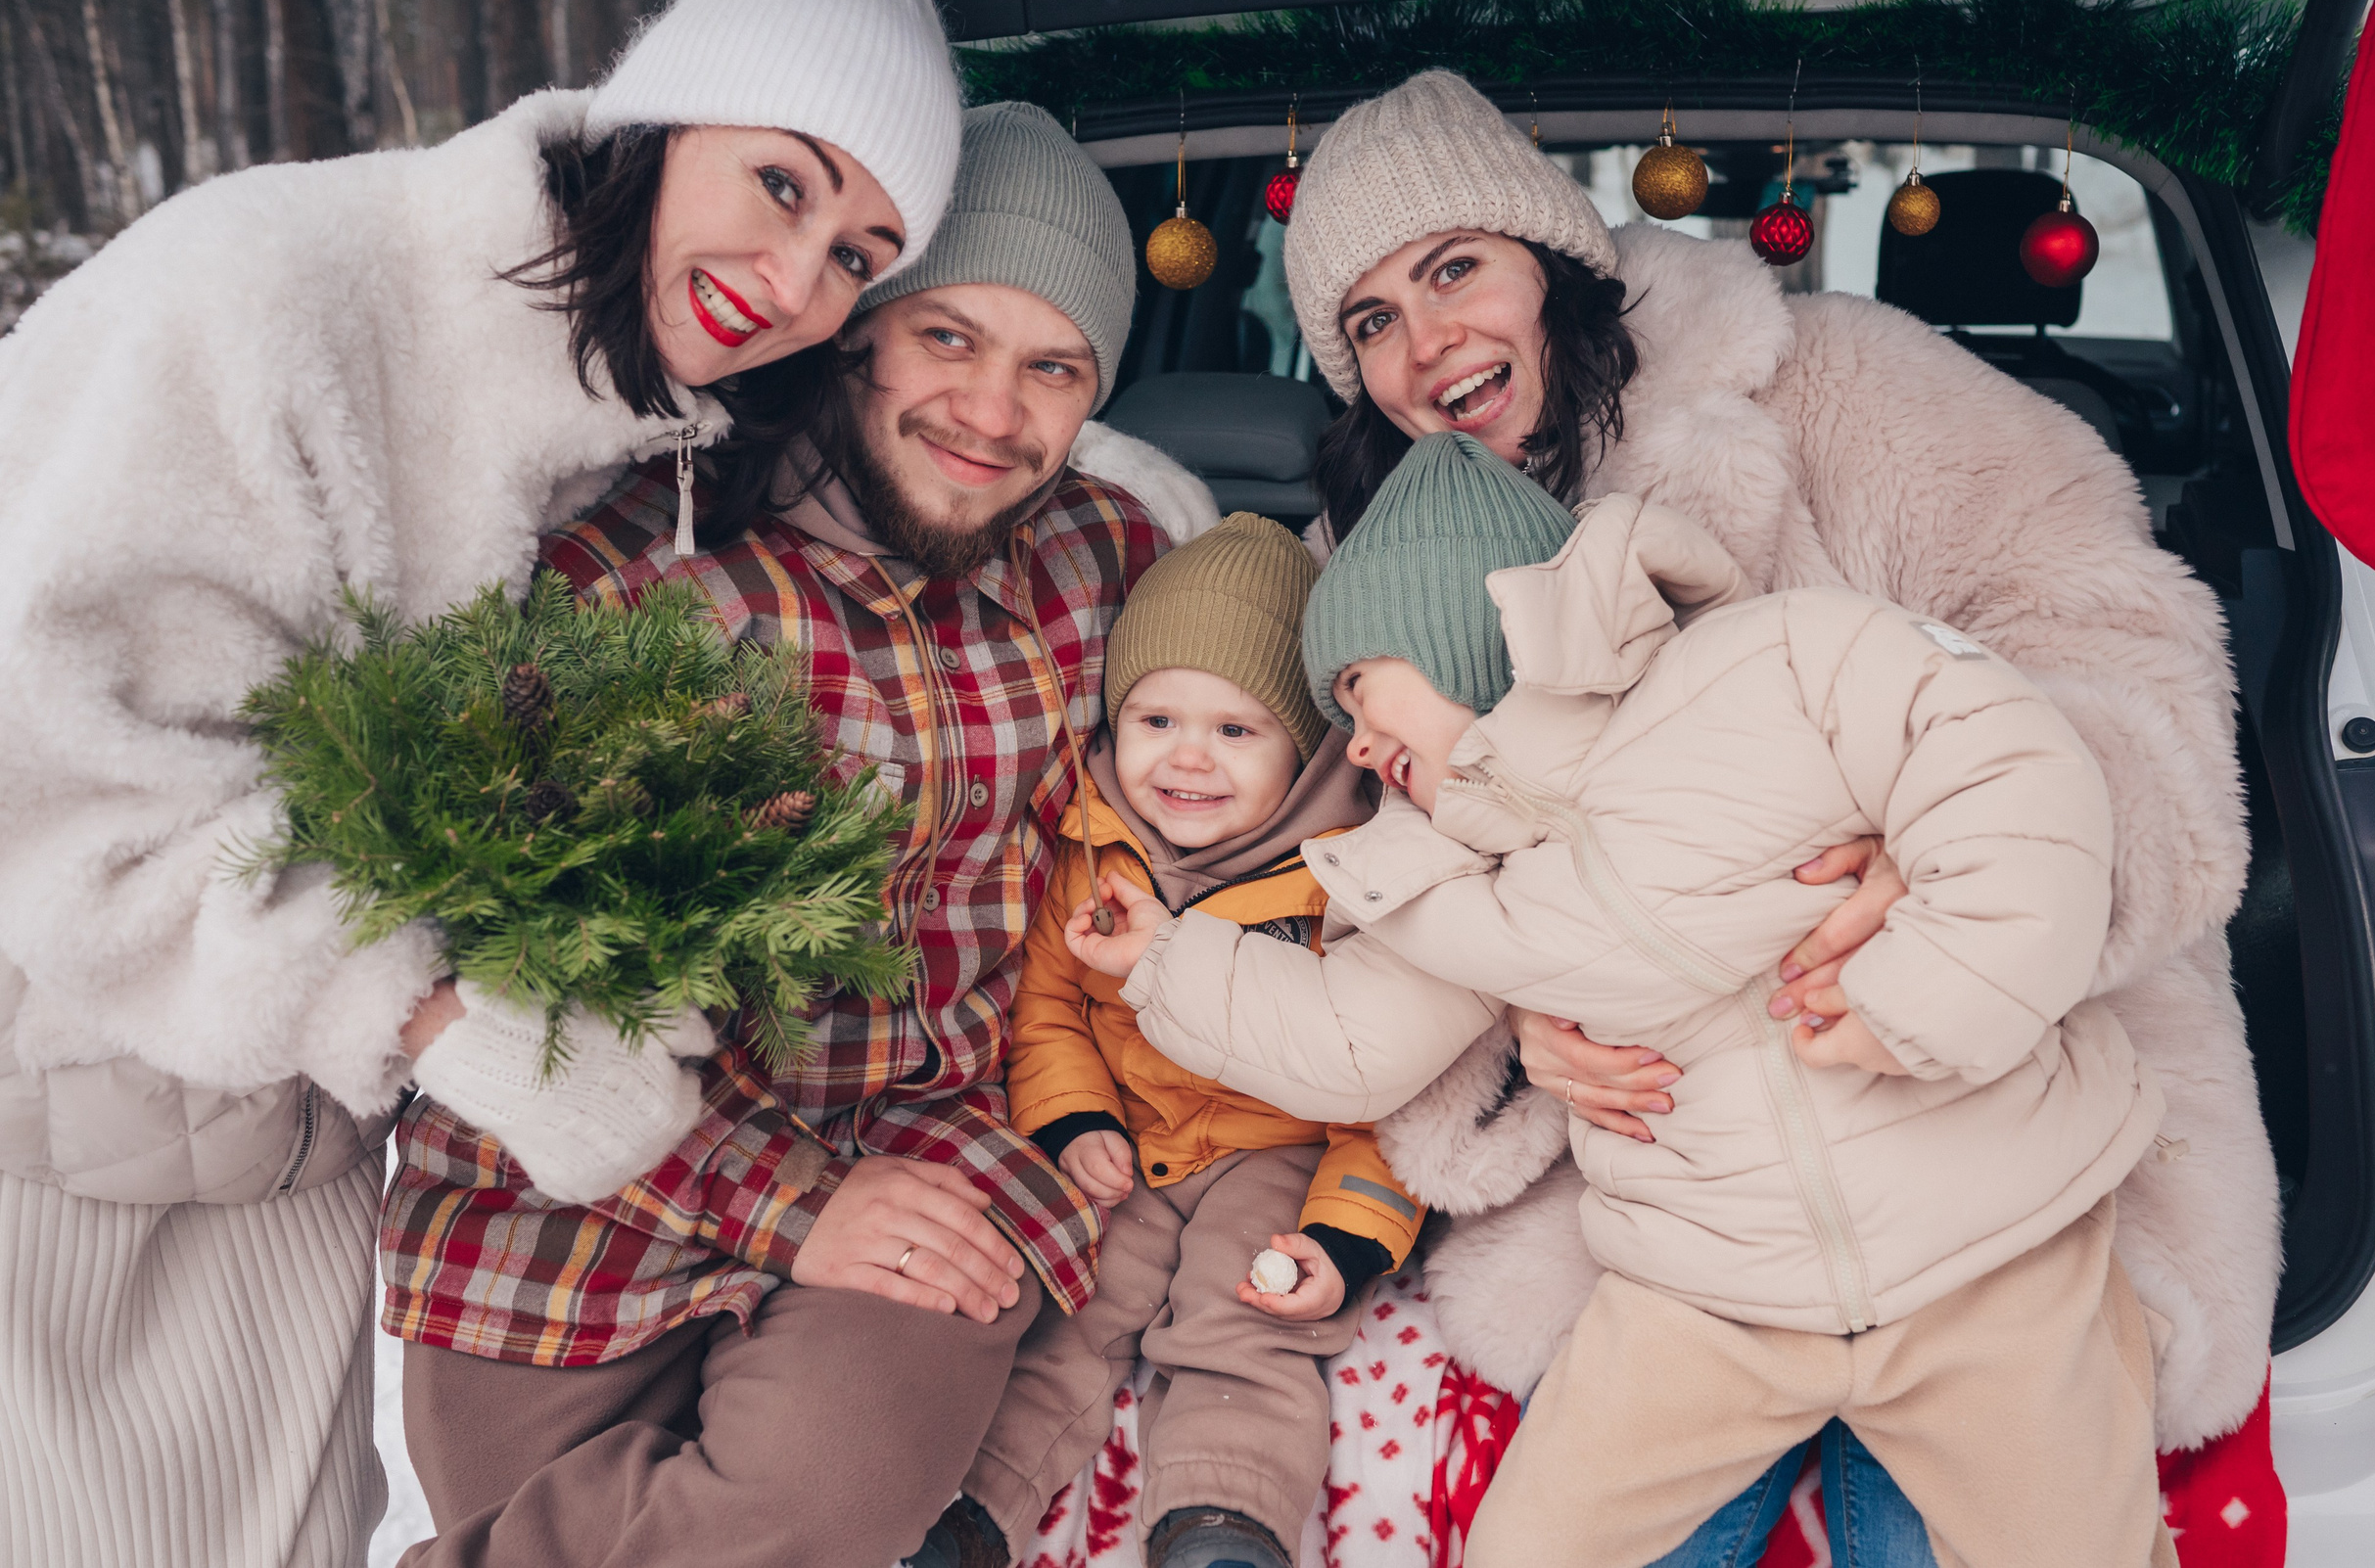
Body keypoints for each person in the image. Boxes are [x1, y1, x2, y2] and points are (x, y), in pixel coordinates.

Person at [0, 0, 962, 1562]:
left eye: (862, 255)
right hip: (65, 1114)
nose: (796, 279)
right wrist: (445, 1012)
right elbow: (59, 783)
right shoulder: (264, 293)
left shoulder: (644, 415)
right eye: (785, 181)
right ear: (663, 116)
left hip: (286, 1142)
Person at [1275, 70, 2274, 1474]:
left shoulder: (1841, 380)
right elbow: (1376, 874)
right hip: (1666, 1176)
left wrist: (1964, 865)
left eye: (1455, 269)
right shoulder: (1365, 555)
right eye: (1371, 319)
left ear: (1554, 258)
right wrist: (1515, 1025)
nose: (1427, 342)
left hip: (1989, 1095)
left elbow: (2124, 639)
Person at [1084, 432, 2174, 1567]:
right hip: (1705, 1295)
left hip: (1987, 1247)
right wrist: (1166, 959)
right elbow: (1349, 1040)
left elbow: (2003, 763)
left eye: (1358, 689)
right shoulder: (1434, 868)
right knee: (1532, 1546)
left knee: (2078, 1542)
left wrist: (1941, 983)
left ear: (1452, 634)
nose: (1354, 741)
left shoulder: (1781, 662)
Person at [381, 98, 1213, 1568]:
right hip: (588, 1189)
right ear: (857, 331)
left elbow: (1287, 774)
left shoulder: (1116, 562)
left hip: (930, 1154)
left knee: (816, 1503)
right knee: (524, 1532)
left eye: (1054, 367)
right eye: (947, 337)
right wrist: (788, 1206)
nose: (993, 413)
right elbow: (472, 967)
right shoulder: (624, 577)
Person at [931, 511, 1420, 1568]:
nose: (1186, 758)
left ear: (1305, 747)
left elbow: (1394, 1092)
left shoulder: (1351, 881)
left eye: (1236, 730)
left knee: (1248, 1315)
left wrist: (1342, 1238)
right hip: (1127, 1137)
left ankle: (1222, 1521)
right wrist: (1070, 1116)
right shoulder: (1092, 842)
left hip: (1280, 1150)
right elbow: (1047, 1006)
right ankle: (969, 1510)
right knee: (1074, 1305)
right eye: (1155, 719)